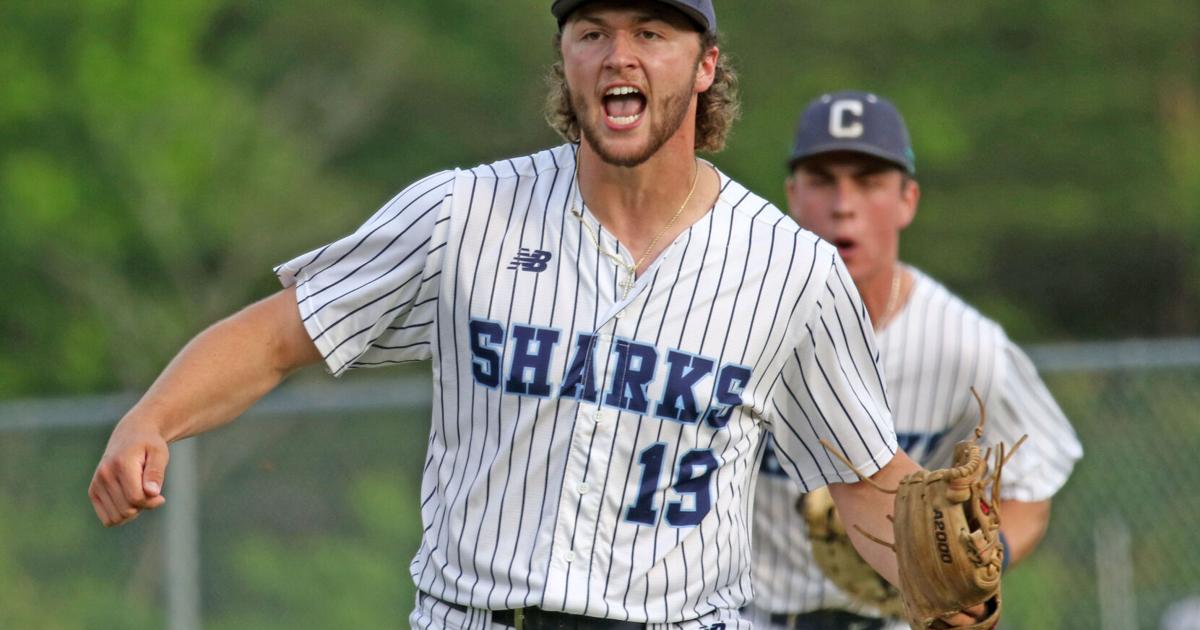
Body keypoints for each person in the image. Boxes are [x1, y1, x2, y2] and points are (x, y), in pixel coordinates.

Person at [88, 5, 974, 627]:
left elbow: (865, 479)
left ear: (706, 65)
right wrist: (152, 418)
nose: (618, 55)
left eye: (651, 33)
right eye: (592, 33)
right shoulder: (462, 214)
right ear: (565, 59)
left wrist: (963, 595)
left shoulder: (791, 269)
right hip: (473, 615)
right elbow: (278, 336)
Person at [745, 90, 1084, 629]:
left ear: (908, 199)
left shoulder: (966, 344)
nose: (843, 204)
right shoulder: (738, 325)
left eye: (869, 182)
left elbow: (1032, 489)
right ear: (793, 195)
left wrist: (979, 569)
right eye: (823, 180)